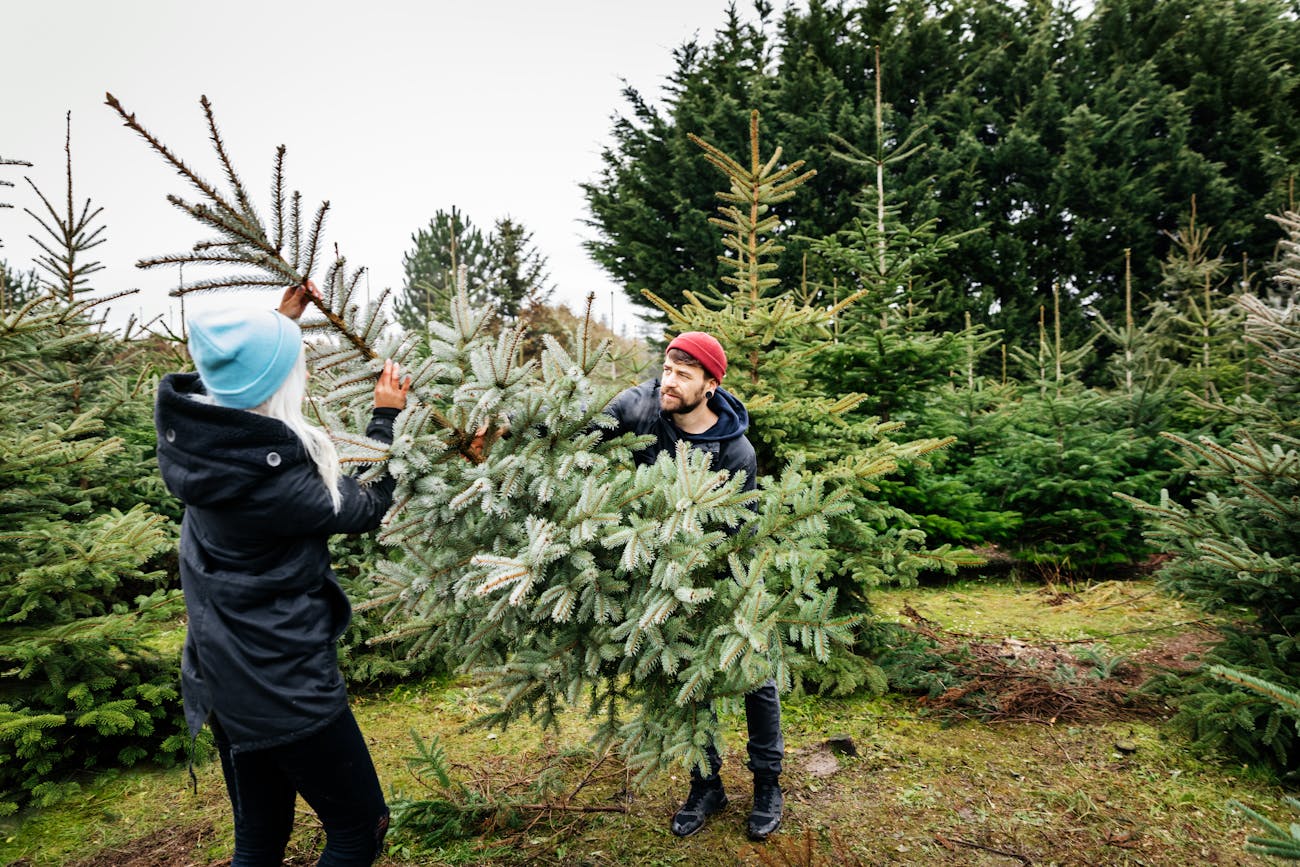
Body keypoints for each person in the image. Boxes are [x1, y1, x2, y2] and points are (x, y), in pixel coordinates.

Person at [155, 283, 410, 867]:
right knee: (357, 827)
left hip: (221, 676)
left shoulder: (199, 440)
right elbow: (369, 504)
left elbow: (220, 378)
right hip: (283, 684)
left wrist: (273, 326)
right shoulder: (279, 480)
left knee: (260, 839)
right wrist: (384, 418)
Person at [603, 331, 784, 841]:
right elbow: (574, 435)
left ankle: (768, 783)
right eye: (667, 368)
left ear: (709, 384)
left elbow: (735, 534)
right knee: (684, 674)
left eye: (684, 374)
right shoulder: (638, 407)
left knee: (755, 675)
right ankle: (705, 785)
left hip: (724, 571)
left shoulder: (736, 451)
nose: (669, 381)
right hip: (653, 569)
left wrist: (695, 573)